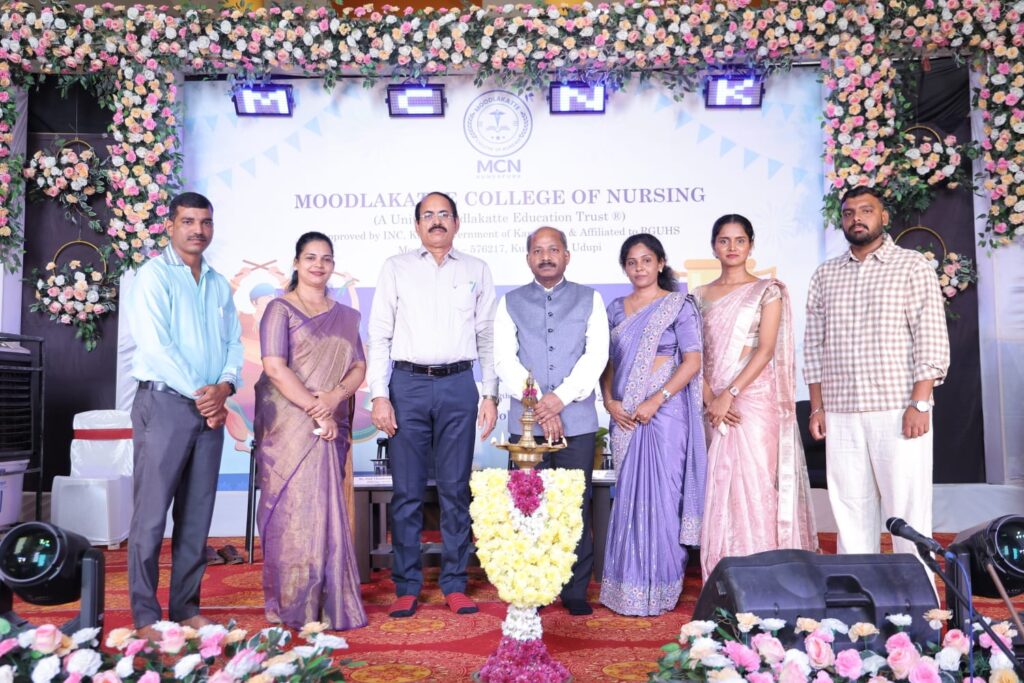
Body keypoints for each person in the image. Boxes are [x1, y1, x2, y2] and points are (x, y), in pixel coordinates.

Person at [367, 191, 498, 618]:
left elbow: (487, 335)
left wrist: (490, 393)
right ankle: (407, 585)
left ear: (457, 223)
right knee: (406, 492)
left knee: (455, 490)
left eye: (444, 214)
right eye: (428, 215)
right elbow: (379, 335)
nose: (437, 221)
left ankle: (455, 583)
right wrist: (380, 394)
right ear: (417, 225)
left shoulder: (477, 269)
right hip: (407, 386)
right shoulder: (396, 268)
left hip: (459, 385)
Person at [805, 186, 949, 561]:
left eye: (866, 210)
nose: (857, 218)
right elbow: (814, 346)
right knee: (850, 512)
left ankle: (917, 593)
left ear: (883, 217)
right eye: (849, 212)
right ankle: (859, 594)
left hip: (897, 408)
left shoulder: (911, 266)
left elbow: (931, 336)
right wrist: (818, 407)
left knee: (908, 511)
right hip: (841, 411)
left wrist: (920, 402)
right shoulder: (825, 275)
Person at [126, 192, 242, 637]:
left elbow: (233, 343)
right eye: (189, 221)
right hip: (164, 405)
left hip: (209, 409)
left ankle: (185, 608)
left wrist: (225, 387)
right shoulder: (153, 276)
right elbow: (157, 346)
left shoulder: (217, 283)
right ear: (170, 226)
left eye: (205, 222)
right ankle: (144, 616)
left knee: (196, 515)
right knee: (151, 516)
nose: (198, 230)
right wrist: (204, 396)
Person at [253, 232, 368, 630]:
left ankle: (329, 600)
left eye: (326, 259)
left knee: (326, 507)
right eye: (310, 257)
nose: (319, 265)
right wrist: (316, 409)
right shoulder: (280, 309)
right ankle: (294, 602)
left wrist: (334, 398)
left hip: (329, 420)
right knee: (293, 509)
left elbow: (358, 366)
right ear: (296, 263)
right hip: (290, 425)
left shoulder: (346, 316)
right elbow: (274, 367)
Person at [694, 214, 818, 581]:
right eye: (724, 240)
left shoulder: (767, 291)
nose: (732, 247)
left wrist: (729, 394)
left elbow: (765, 350)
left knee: (757, 482)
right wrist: (710, 397)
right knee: (720, 485)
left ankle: (767, 573)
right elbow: (693, 354)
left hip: (752, 398)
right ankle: (724, 573)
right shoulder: (697, 296)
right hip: (711, 400)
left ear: (751, 245)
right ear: (713, 246)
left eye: (739, 240)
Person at [494, 226, 609, 616]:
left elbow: (596, 356)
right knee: (527, 508)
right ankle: (533, 587)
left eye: (553, 249)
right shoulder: (509, 302)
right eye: (538, 251)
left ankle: (575, 589)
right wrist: (540, 404)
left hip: (577, 421)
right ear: (528, 258)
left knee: (573, 505)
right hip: (526, 430)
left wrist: (559, 399)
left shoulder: (590, 299)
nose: (546, 256)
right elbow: (504, 359)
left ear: (567, 255)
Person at [599, 233, 706, 616]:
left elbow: (692, 361)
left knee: (663, 498)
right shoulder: (615, 309)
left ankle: (661, 586)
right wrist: (610, 402)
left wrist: (656, 399)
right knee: (629, 499)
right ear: (624, 267)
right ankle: (626, 586)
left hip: (667, 415)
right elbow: (606, 364)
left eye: (646, 260)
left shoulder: (679, 305)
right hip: (626, 416)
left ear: (660, 263)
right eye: (631, 262)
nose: (639, 268)